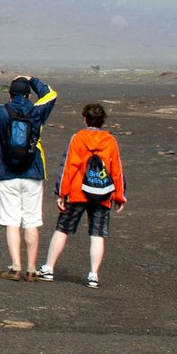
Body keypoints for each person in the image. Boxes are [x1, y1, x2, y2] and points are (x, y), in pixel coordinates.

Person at [37, 102, 125, 288]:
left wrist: (61, 193)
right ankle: (93, 274)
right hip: (102, 193)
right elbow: (116, 170)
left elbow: (69, 166)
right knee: (97, 234)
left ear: (85, 119)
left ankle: (48, 268)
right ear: (102, 121)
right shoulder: (110, 141)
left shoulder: (78, 138)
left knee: (62, 229)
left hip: (77, 192)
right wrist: (119, 196)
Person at [0, 74, 57, 280]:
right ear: (28, 94)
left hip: (7, 172)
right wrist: (34, 80)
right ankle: (31, 268)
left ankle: (15, 267)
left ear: (10, 94)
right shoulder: (37, 110)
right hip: (33, 171)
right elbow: (51, 95)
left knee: (11, 221)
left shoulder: (0, 111)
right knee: (32, 221)